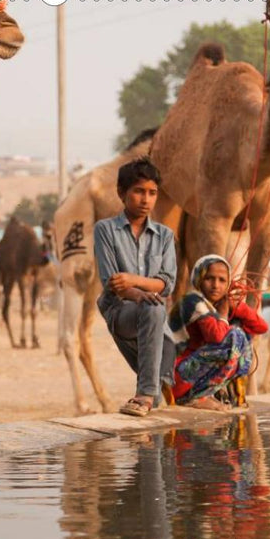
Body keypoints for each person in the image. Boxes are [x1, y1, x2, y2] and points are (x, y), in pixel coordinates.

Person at [93, 157, 176, 417]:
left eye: (152, 193)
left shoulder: (164, 236)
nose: (146, 199)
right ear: (122, 193)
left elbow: (167, 283)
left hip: (155, 317)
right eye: (139, 191)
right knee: (152, 308)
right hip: (121, 312)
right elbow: (113, 282)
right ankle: (144, 395)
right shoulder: (105, 230)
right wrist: (137, 292)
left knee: (168, 376)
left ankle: (150, 395)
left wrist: (135, 281)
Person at [169, 255, 268, 410]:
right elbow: (215, 336)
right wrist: (223, 313)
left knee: (241, 332)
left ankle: (221, 393)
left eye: (222, 280)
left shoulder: (216, 305)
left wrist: (237, 307)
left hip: (190, 374)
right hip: (175, 376)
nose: (215, 285)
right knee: (234, 335)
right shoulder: (193, 300)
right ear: (199, 279)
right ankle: (194, 398)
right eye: (209, 278)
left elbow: (261, 327)